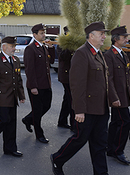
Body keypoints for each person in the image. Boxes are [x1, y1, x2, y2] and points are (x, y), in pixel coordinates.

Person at [51, 21, 110, 175]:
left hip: (101, 108)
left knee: (100, 144)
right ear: (91, 36)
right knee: (80, 140)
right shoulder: (82, 53)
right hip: (87, 109)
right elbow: (76, 85)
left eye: (104, 33)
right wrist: (79, 110)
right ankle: (58, 159)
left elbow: (104, 81)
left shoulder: (98, 53)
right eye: (101, 33)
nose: (104, 36)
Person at [0, 36, 25, 157]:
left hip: (12, 97)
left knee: (11, 124)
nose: (14, 48)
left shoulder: (16, 60)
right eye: (12, 46)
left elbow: (18, 80)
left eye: (14, 46)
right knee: (3, 120)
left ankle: (10, 148)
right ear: (4, 47)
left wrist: (21, 95)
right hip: (1, 98)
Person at [22, 23, 55, 143]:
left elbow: (51, 61)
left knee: (46, 106)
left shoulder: (44, 47)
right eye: (41, 33)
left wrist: (51, 48)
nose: (43, 35)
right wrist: (33, 86)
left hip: (46, 84)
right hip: (36, 85)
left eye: (44, 32)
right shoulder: (30, 49)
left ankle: (28, 119)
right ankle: (39, 134)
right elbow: (29, 70)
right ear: (34, 34)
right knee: (37, 110)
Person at [104, 26, 130, 165]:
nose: (127, 39)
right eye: (124, 37)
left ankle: (110, 148)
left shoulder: (123, 54)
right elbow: (109, 79)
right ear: (116, 39)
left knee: (115, 122)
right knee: (125, 122)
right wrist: (113, 98)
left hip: (124, 95)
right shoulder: (109, 55)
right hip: (118, 97)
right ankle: (118, 151)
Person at [57, 26, 75, 130]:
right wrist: (69, 45)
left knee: (67, 99)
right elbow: (63, 57)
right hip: (66, 76)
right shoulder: (62, 44)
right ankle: (74, 125)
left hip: (72, 75)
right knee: (71, 99)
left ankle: (62, 121)